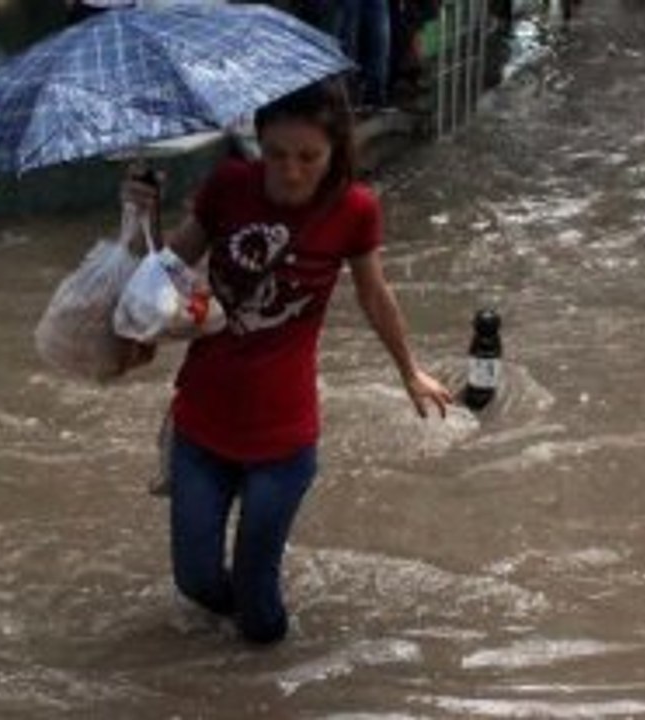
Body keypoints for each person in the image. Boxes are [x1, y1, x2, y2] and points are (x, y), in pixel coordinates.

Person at [119, 78, 451, 644]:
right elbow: (165, 275)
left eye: (308, 157)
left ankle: (272, 686)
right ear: (258, 143)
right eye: (276, 154)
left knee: (260, 602)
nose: (291, 171)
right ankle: (229, 673)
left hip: (284, 438)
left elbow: (374, 295)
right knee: (196, 580)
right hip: (203, 421)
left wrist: (408, 370)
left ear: (334, 152)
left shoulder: (353, 209)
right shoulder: (228, 187)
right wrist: (140, 221)